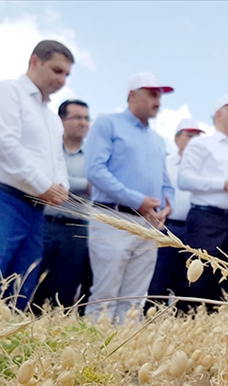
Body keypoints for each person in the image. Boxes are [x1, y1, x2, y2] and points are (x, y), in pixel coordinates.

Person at [0, 40, 72, 312]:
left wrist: (61, 187)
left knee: (21, 288)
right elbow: (4, 145)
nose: (62, 79)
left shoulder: (52, 118)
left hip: (34, 209)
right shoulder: (6, 91)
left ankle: (3, 351)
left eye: (66, 75)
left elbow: (57, 159)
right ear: (35, 61)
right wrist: (45, 186)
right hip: (0, 199)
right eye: (57, 70)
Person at [84, 72, 174, 323]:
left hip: (148, 224)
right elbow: (95, 170)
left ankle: (124, 358)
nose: (158, 101)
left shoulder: (157, 140)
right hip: (112, 218)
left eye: (160, 96)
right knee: (105, 293)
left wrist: (168, 205)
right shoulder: (107, 124)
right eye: (152, 94)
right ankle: (92, 354)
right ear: (133, 95)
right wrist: (138, 200)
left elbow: (166, 181)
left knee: (135, 298)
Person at [178, 95, 228, 305]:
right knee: (198, 280)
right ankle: (190, 332)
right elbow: (184, 179)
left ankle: (224, 334)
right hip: (206, 221)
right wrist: (222, 184)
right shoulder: (201, 144)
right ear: (219, 114)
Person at [32, 99, 92, 313]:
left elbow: (97, 185)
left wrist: (61, 185)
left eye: (86, 118)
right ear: (61, 120)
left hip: (77, 230)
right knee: (35, 285)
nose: (83, 123)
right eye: (77, 117)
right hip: (45, 224)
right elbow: (43, 179)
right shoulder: (47, 149)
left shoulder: (93, 155)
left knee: (66, 288)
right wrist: (82, 184)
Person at [147, 118, 204, 303]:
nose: (194, 140)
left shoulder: (206, 169)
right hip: (166, 227)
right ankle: (153, 323)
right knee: (159, 281)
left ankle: (182, 329)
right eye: (190, 135)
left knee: (188, 284)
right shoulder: (165, 163)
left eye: (198, 136)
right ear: (177, 138)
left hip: (195, 231)